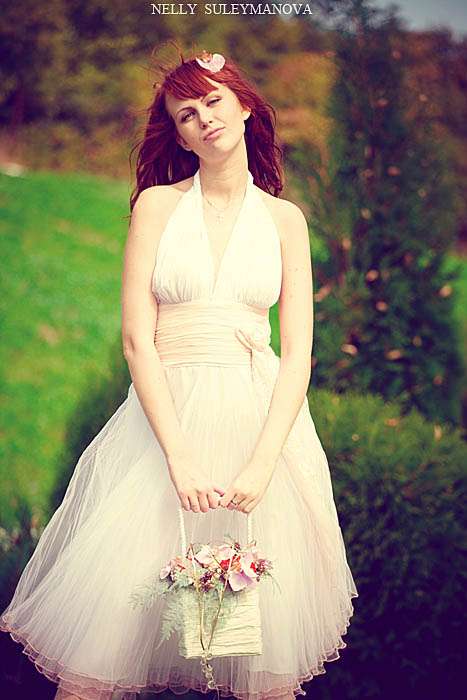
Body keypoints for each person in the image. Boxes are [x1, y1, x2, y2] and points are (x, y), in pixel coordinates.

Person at [0, 48, 358, 700]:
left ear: (244, 108)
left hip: (258, 431)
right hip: (163, 427)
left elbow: (298, 356)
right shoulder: (157, 208)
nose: (203, 118)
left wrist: (261, 465)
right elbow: (138, 341)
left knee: (260, 664)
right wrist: (180, 458)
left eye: (213, 101)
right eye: (186, 114)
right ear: (181, 135)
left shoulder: (285, 221)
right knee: (100, 653)